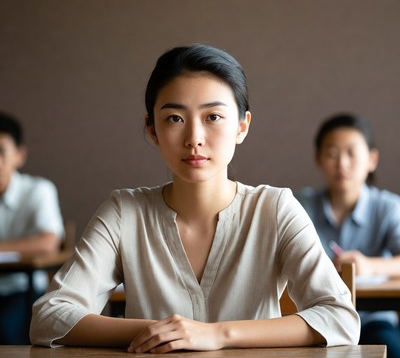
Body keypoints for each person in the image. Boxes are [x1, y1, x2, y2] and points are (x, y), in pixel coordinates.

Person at [30, 44, 359, 352]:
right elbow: (49, 316)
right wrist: (165, 333)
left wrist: (217, 334)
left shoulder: (274, 208)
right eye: (175, 118)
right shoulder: (123, 212)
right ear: (152, 130)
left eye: (213, 117)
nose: (194, 138)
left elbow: (340, 318)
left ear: (242, 127)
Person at [296, 113, 400, 358]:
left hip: (372, 320)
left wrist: (368, 266)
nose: (342, 163)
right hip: (317, 319)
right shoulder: (299, 205)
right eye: (332, 154)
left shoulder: (388, 207)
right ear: (318, 159)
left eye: (352, 153)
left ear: (372, 160)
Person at [0, 111, 64, 344]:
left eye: (0, 151)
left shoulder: (38, 190)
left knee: (7, 329)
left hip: (22, 291)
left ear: (19, 155)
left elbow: (48, 243)